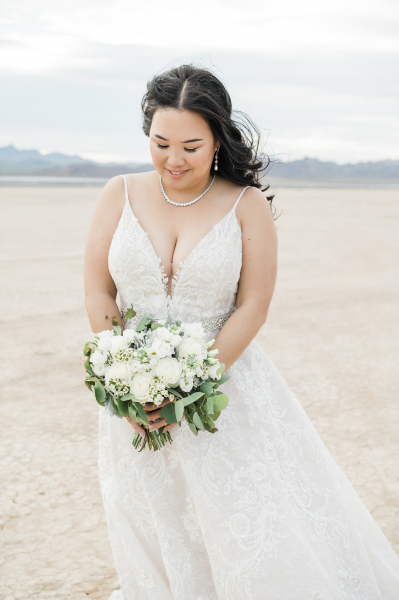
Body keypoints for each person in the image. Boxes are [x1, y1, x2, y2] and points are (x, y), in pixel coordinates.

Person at [84, 64, 399, 600]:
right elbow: (97, 290)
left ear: (216, 139)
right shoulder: (119, 193)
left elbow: (253, 307)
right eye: (161, 143)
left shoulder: (245, 205)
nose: (173, 159)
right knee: (156, 521)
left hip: (224, 393)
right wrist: (123, 382)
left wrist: (189, 387)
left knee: (242, 526)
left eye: (190, 145)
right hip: (133, 401)